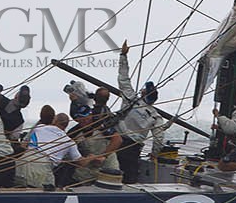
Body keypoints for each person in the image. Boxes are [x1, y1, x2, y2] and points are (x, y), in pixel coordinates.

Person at [114, 41, 168, 184]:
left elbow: (123, 78)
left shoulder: (131, 99)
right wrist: (154, 154)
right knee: (129, 179)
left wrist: (123, 55)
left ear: (143, 93)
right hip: (133, 149)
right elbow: (159, 138)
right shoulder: (156, 117)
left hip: (116, 142)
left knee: (111, 174)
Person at [17, 105, 101, 189]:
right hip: (42, 167)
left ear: (54, 120)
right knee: (48, 194)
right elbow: (81, 162)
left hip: (21, 162)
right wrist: (92, 157)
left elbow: (23, 145)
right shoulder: (69, 142)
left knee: (18, 188)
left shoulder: (39, 128)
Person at [66, 101, 121, 185]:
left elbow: (118, 140)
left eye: (86, 117)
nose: (84, 120)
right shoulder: (74, 132)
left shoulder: (102, 125)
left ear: (91, 115)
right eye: (81, 118)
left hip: (107, 160)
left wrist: (103, 156)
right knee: (79, 180)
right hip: (89, 163)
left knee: (111, 183)